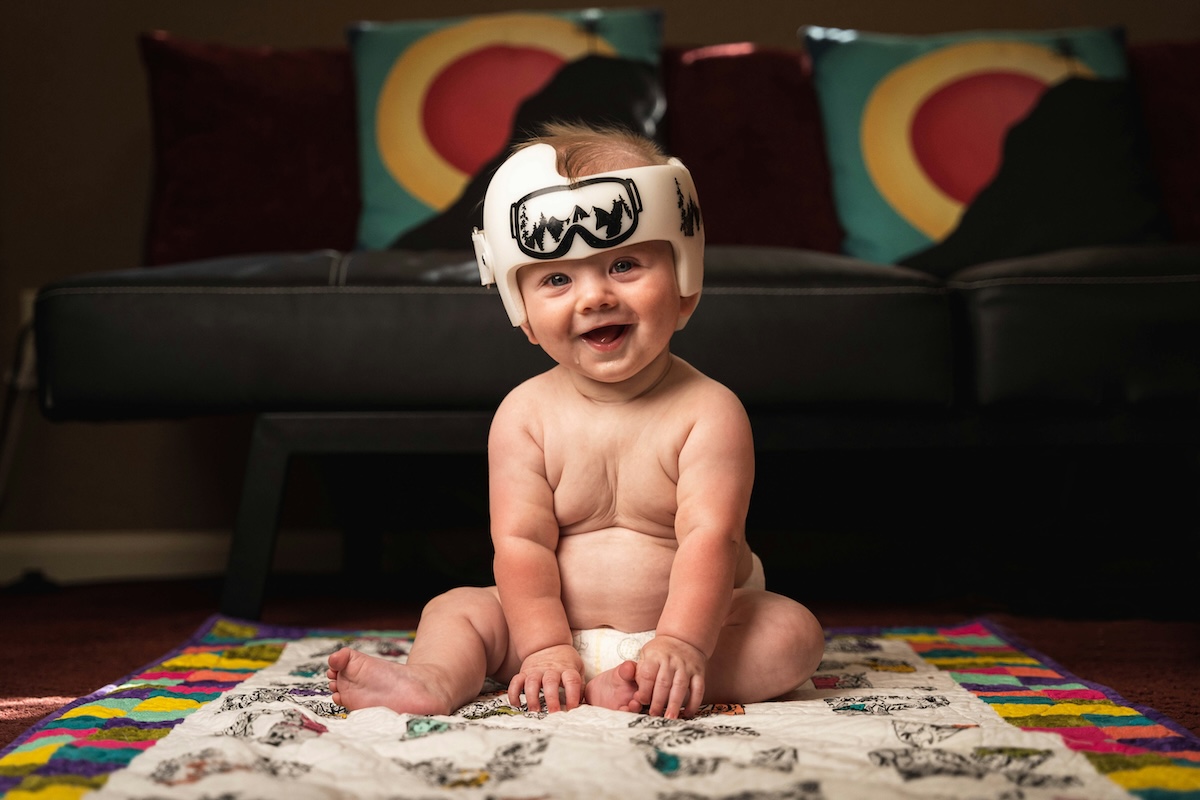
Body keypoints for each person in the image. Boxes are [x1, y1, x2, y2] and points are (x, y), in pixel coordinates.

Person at [327, 122, 824, 719]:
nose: (594, 297)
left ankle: (644, 681)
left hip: (687, 634)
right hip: (542, 636)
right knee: (455, 609)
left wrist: (682, 643)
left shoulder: (709, 411)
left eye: (624, 265)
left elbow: (709, 539)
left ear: (686, 281)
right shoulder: (524, 416)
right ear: (525, 315)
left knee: (792, 634)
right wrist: (542, 647)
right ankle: (432, 682)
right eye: (558, 278)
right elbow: (520, 542)